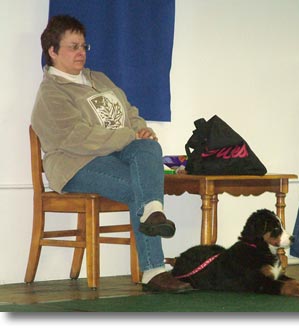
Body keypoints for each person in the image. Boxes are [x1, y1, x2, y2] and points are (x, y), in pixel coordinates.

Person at [31, 15, 192, 293]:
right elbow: (79, 137)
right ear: (53, 51)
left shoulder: (99, 79)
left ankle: (152, 214)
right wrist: (128, 136)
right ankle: (153, 267)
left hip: (117, 153)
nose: (81, 52)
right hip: (76, 166)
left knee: (150, 147)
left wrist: (141, 130)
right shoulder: (51, 93)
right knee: (138, 187)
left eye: (83, 46)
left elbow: (129, 112)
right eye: (72, 47)